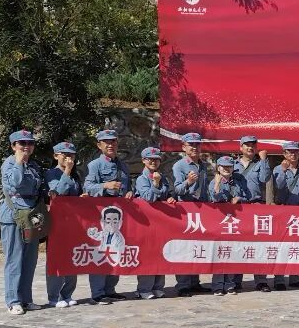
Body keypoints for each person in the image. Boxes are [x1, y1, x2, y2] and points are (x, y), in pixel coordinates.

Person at [83, 129, 133, 305]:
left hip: (119, 216)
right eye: (106, 142)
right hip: (102, 216)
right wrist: (105, 185)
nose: (111, 145)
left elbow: (128, 186)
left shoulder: (123, 165)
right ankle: (97, 293)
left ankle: (110, 289)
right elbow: (88, 187)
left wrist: (129, 193)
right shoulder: (95, 165)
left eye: (113, 141)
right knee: (101, 253)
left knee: (116, 252)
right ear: (99, 145)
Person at [0, 129, 45, 315]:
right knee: (14, 259)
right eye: (22, 143)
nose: (26, 146)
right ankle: (13, 301)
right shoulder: (9, 164)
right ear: (13, 146)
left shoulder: (34, 166)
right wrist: (19, 162)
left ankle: (26, 299)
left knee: (29, 260)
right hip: (13, 216)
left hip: (31, 216)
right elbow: (16, 183)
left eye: (30, 143)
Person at [171, 132, 211, 296]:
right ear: (184, 147)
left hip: (201, 210)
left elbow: (205, 189)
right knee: (184, 248)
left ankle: (195, 282)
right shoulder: (179, 166)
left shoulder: (203, 165)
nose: (195, 147)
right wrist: (188, 182)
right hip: (186, 210)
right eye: (191, 145)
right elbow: (177, 189)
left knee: (197, 247)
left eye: (197, 144)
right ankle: (183, 285)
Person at [133, 146, 174, 299]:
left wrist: (170, 198)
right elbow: (148, 198)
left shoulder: (162, 177)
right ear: (144, 161)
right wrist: (155, 184)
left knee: (160, 253)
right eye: (150, 159)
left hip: (160, 223)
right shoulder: (142, 179)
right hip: (146, 223)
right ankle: (144, 289)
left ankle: (158, 286)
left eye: (156, 159)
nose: (153, 162)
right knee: (147, 255)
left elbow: (166, 194)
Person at [45, 141, 80, 308]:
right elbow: (58, 193)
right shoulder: (51, 174)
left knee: (72, 256)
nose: (68, 158)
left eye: (71, 155)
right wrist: (67, 171)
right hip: (57, 222)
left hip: (73, 222)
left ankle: (67, 293)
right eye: (65, 155)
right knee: (56, 257)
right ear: (56, 156)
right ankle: (54, 296)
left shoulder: (75, 174)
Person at [235, 135, 271, 292]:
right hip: (238, 208)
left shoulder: (260, 164)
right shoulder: (232, 165)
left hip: (256, 207)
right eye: (247, 145)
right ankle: (235, 280)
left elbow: (265, 178)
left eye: (253, 145)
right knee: (237, 245)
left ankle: (261, 280)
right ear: (241, 147)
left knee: (259, 245)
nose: (250, 148)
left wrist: (263, 160)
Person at [273, 141, 299, 289]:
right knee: (282, 246)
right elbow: (278, 186)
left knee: (296, 246)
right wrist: (283, 171)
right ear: (284, 154)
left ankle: (294, 278)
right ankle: (279, 279)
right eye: (289, 152)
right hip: (283, 211)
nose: (293, 154)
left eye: (295, 151)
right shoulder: (278, 169)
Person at [209, 156, 245, 296]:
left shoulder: (236, 182)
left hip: (234, 223)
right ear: (218, 168)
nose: (226, 169)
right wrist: (217, 184)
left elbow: (245, 196)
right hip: (219, 223)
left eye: (229, 166)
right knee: (220, 254)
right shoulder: (214, 181)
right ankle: (218, 286)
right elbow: (214, 198)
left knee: (231, 253)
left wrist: (239, 199)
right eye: (223, 166)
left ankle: (230, 284)